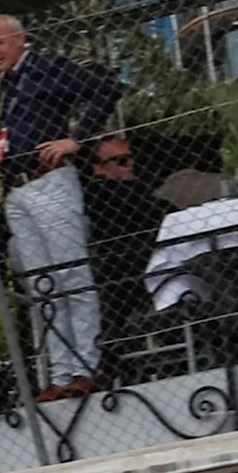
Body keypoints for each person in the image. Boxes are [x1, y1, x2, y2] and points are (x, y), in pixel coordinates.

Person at [0, 14, 119, 396]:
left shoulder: (48, 67)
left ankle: (85, 369)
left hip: (51, 182)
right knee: (44, 286)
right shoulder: (9, 84)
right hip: (19, 187)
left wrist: (76, 139)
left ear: (19, 38)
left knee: (72, 276)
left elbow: (106, 90)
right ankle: (58, 375)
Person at [82, 135, 173, 375]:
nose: (129, 165)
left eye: (130, 159)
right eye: (120, 161)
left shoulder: (138, 194)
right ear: (99, 168)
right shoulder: (102, 197)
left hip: (151, 271)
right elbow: (155, 212)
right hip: (126, 279)